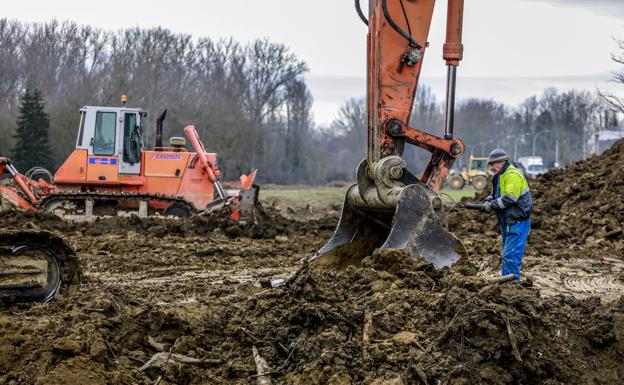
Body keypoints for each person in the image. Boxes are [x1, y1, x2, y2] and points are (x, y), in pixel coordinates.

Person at [481, 149, 532, 281]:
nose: (491, 167)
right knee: (507, 255)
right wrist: (488, 200)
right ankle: (507, 280)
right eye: (490, 164)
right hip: (508, 221)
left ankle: (512, 285)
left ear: (502, 161)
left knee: (511, 255)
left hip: (518, 221)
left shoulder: (512, 175)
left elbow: (509, 198)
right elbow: (494, 194)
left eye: (493, 164)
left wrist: (491, 205)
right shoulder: (499, 176)